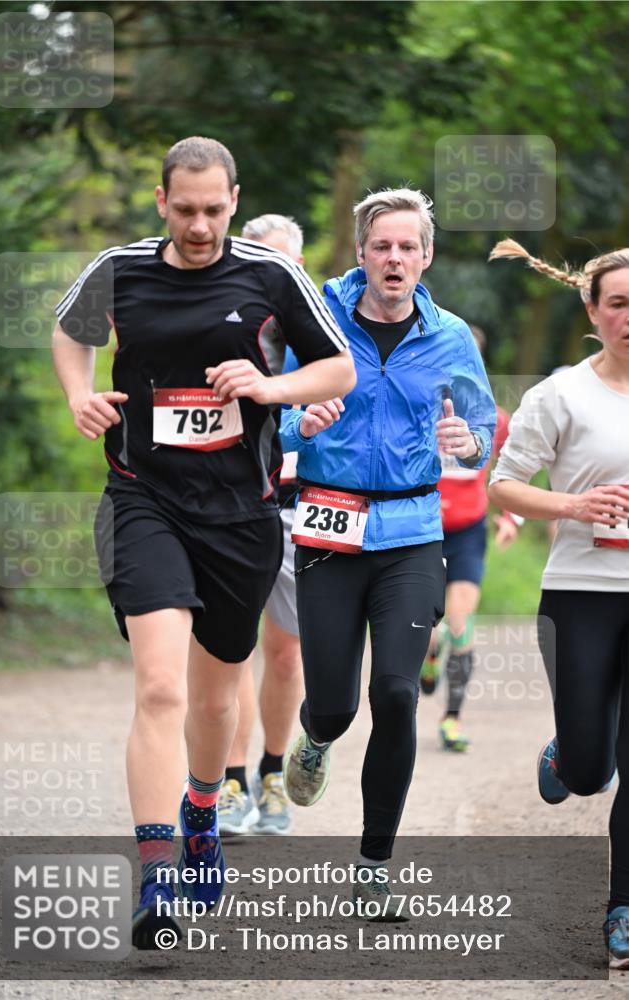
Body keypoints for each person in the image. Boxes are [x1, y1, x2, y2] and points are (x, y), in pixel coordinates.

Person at [51, 137, 355, 949]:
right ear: (160, 202)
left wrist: (269, 386)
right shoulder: (121, 267)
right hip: (142, 498)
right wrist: (80, 394)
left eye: (214, 210)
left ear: (233, 198)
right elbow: (69, 331)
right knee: (159, 687)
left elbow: (337, 371)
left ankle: (201, 806)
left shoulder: (269, 273)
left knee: (220, 693)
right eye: (183, 210)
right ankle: (156, 876)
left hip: (240, 512)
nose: (198, 225)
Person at [280, 187, 496, 918]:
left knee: (398, 694)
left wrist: (466, 443)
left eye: (408, 247)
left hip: (410, 534)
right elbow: (270, 413)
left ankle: (374, 866)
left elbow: (480, 427)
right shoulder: (318, 321)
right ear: (361, 253)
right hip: (327, 531)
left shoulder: (451, 337)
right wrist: (298, 423)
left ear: (425, 257)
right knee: (338, 707)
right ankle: (314, 735)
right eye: (382, 246)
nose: (394, 258)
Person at [487, 239, 629, 969]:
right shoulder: (561, 394)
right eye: (618, 303)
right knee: (587, 768)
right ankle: (570, 756)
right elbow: (503, 486)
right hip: (579, 593)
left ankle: (622, 911)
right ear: (591, 309)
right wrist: (572, 503)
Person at [218, 214, 343, 836]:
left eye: (286, 262)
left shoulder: (317, 327)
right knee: (229, 646)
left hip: (300, 501)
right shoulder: (218, 318)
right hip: (232, 501)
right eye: (261, 259)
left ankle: (272, 772)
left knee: (287, 653)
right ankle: (230, 781)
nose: (273, 273)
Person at [420, 325, 522, 752]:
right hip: (421, 532)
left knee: (460, 627)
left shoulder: (494, 419)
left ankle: (452, 719)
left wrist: (510, 516)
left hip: (466, 531)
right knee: (428, 632)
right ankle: (427, 655)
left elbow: (516, 465)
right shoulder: (419, 409)